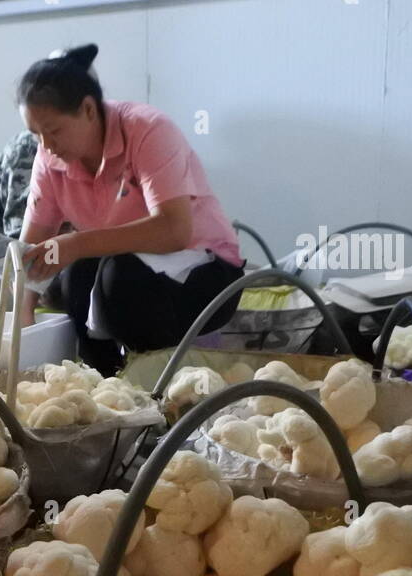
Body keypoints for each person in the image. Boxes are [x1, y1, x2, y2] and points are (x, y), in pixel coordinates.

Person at [17, 44, 244, 374]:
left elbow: (175, 230)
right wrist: (23, 314)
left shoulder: (148, 130)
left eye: (54, 131)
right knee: (74, 277)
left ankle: (154, 381)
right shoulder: (49, 156)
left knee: (114, 278)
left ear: (89, 110)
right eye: (36, 135)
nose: (47, 145)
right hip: (126, 271)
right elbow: (31, 250)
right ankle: (104, 382)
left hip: (205, 274)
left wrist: (77, 243)